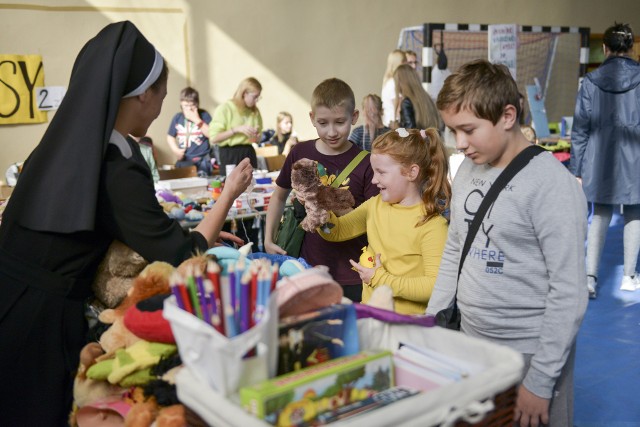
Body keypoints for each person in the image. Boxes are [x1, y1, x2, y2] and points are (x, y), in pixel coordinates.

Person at [0, 21, 253, 425]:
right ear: (141, 94)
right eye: (161, 97)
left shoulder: (62, 146)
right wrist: (228, 195)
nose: (159, 110)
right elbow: (180, 253)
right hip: (40, 324)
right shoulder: (115, 166)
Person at [425, 60, 588, 427]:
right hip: (470, 341)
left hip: (528, 354)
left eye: (468, 130)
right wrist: (432, 322)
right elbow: (455, 249)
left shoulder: (551, 185)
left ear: (507, 115)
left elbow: (569, 290)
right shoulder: (468, 169)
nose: (460, 144)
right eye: (452, 131)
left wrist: (541, 381)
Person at [265, 78, 379, 302]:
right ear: (312, 119)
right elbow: (279, 196)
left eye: (339, 122)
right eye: (323, 122)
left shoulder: (367, 163)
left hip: (354, 273)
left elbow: (374, 219)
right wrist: (268, 239)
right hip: (308, 268)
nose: (332, 131)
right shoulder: (299, 151)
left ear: (354, 117)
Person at [320, 128, 450, 314]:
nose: (374, 180)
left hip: (408, 325)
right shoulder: (375, 205)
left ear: (411, 173)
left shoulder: (433, 225)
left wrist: (380, 279)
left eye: (381, 172)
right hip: (371, 313)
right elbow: (336, 231)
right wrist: (320, 215)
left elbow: (434, 286)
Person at [570, 22, 640, 297]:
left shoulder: (590, 81)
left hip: (599, 157)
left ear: (604, 48)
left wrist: (576, 168)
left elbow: (580, 128)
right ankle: (628, 276)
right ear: (632, 48)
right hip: (635, 156)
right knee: (635, 212)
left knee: (600, 213)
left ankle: (589, 278)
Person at [210, 77, 263, 175]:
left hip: (248, 152)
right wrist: (236, 129)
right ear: (244, 94)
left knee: (252, 186)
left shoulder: (255, 111)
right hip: (230, 154)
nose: (256, 101)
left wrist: (256, 136)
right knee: (231, 187)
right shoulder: (225, 109)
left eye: (258, 97)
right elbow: (214, 138)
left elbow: (258, 139)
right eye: (255, 97)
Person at [166, 86, 213, 176]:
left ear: (197, 104)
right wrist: (175, 150)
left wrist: (196, 119)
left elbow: (211, 134)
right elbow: (170, 136)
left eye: (192, 106)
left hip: (202, 159)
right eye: (185, 106)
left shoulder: (204, 115)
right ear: (181, 105)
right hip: (184, 160)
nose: (189, 109)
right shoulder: (178, 117)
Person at [394, 63, 442, 130]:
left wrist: (396, 127)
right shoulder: (427, 99)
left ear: (400, 82)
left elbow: (409, 132)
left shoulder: (406, 103)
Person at [381, 49, 407, 128]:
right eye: (404, 62)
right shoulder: (393, 82)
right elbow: (399, 108)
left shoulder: (390, 81)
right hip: (394, 125)